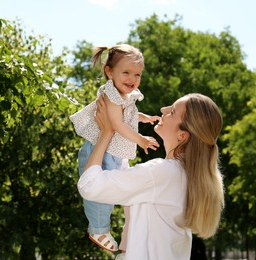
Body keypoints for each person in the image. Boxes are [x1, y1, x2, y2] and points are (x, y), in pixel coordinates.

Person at [78, 93, 225, 259]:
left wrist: (106, 132)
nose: (163, 110)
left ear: (182, 136)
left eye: (172, 112)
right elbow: (123, 180)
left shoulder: (163, 173)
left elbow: (89, 186)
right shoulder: (182, 176)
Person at [70, 44, 160, 253]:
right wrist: (141, 140)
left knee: (121, 190)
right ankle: (98, 229)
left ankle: (127, 233)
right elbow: (117, 124)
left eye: (137, 74)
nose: (132, 79)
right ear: (109, 72)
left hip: (113, 152)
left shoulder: (125, 95)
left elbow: (125, 116)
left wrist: (143, 117)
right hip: (101, 151)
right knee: (101, 192)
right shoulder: (111, 94)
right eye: (126, 72)